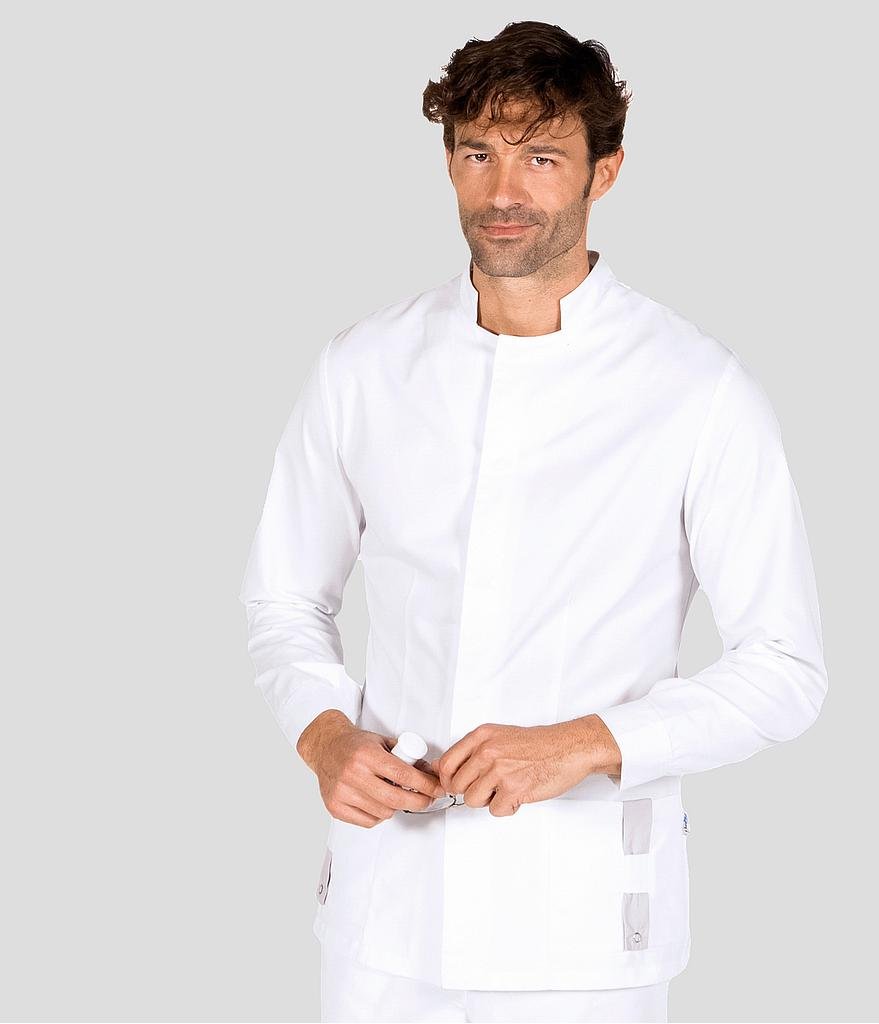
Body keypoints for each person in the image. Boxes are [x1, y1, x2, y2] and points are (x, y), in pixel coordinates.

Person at [238, 19, 828, 1024]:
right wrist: (324, 733)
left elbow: (785, 669)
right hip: (385, 922)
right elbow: (283, 598)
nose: (502, 192)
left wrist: (587, 742)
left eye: (542, 157)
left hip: (582, 932)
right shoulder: (362, 369)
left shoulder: (697, 391)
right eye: (479, 154)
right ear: (448, 163)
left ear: (606, 172)